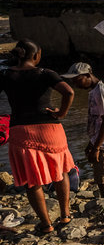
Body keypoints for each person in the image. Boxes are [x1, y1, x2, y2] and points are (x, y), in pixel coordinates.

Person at [0, 40, 75, 234]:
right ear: (36, 55)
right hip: (50, 129)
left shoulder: (6, 75)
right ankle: (65, 215)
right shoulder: (45, 73)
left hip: (21, 130)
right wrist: (61, 114)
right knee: (61, 172)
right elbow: (69, 92)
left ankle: (46, 224)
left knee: (31, 180)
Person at [63, 63, 104, 199]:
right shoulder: (98, 90)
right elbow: (99, 122)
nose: (75, 85)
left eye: (77, 80)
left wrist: (96, 148)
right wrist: (91, 143)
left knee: (103, 180)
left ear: (88, 75)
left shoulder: (100, 92)